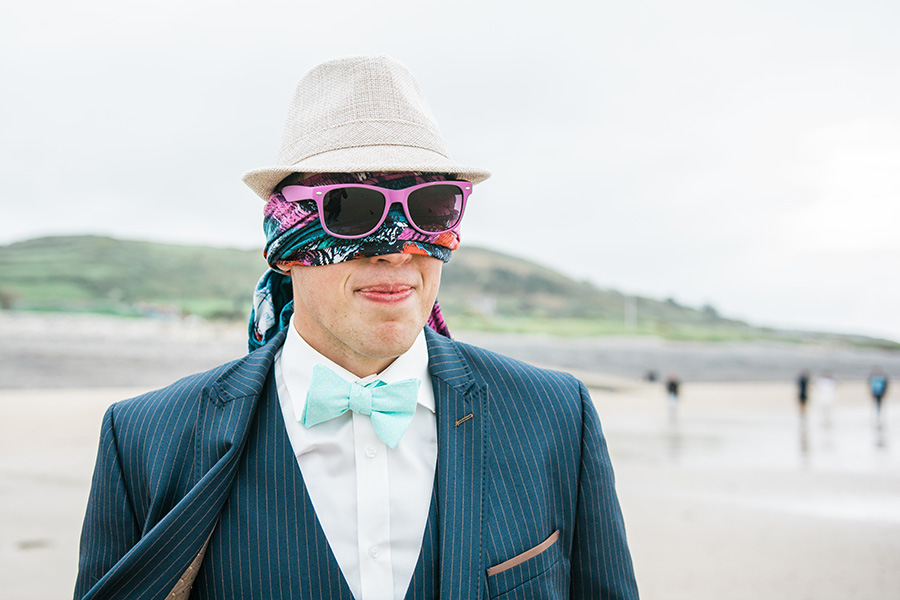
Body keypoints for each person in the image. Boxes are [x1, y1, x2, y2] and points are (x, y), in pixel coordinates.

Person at [74, 56, 638, 600]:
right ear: (285, 245)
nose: (397, 253)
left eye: (432, 205)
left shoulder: (555, 415)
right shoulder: (145, 438)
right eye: (350, 211)